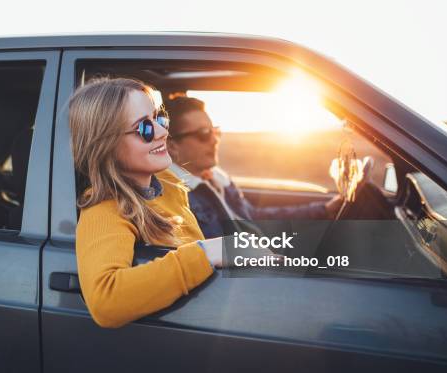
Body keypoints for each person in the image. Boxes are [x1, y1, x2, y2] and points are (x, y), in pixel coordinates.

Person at [69, 78, 222, 328]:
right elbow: (105, 301)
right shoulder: (106, 209)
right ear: (107, 144)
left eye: (158, 119)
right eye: (145, 128)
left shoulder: (168, 185)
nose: (163, 132)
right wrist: (210, 253)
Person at [165, 96, 343, 238]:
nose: (214, 141)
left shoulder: (215, 178)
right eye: (203, 134)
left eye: (215, 132)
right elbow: (210, 256)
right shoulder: (175, 197)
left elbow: (252, 217)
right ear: (173, 145)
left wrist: (324, 211)